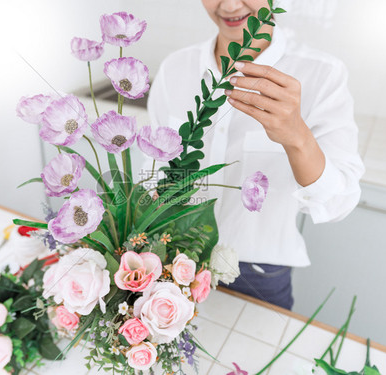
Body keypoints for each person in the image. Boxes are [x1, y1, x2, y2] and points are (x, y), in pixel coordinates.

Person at [146, 0, 365, 310]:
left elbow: (338, 200)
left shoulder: (322, 74)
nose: (230, 5)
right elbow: (154, 170)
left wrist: (297, 137)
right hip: (171, 261)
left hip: (258, 275)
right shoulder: (175, 68)